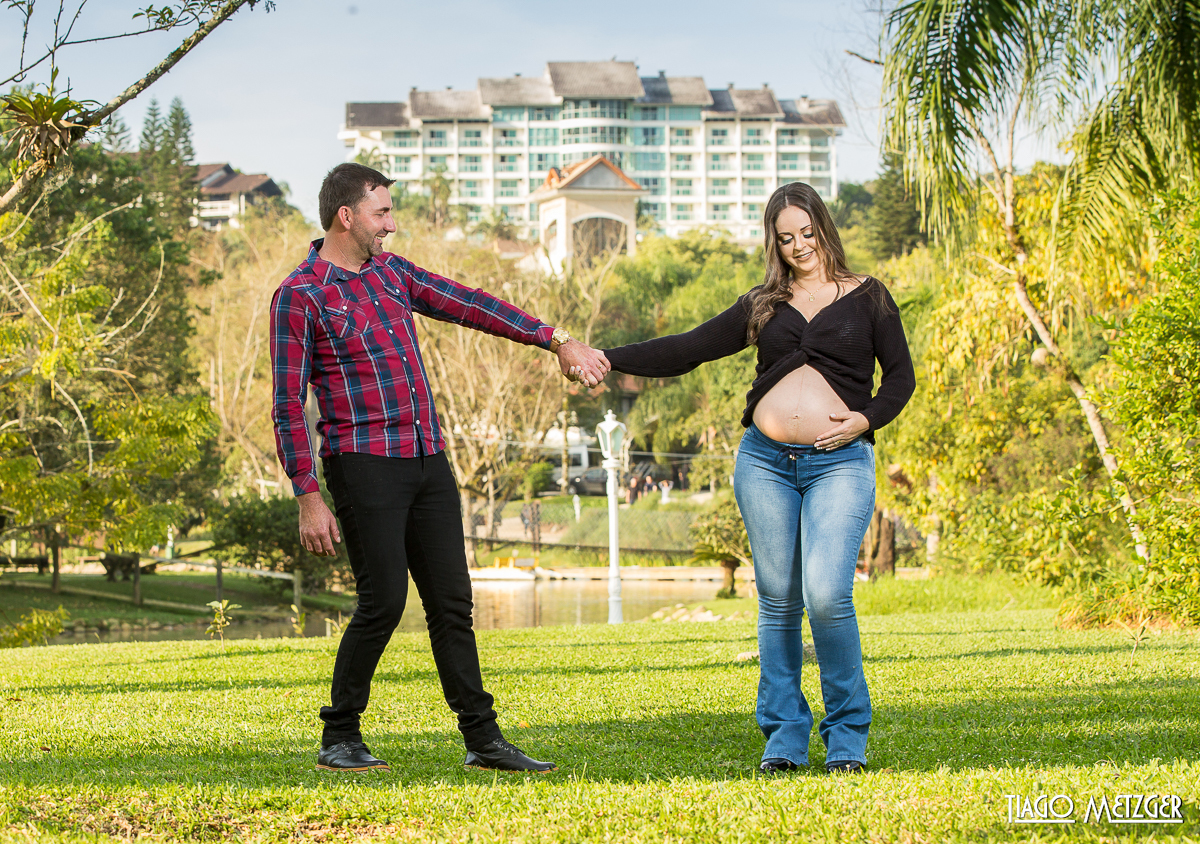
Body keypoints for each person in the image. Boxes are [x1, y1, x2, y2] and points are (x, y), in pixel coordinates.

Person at [270, 163, 609, 774]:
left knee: (453, 603)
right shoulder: (300, 295)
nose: (391, 224)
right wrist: (307, 494)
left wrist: (557, 339)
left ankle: (484, 740)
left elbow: (472, 305)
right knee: (383, 602)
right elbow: (288, 403)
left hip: (428, 457)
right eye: (382, 213)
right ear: (347, 216)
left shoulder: (394, 274)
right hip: (362, 462)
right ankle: (340, 736)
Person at [602, 182, 914, 775]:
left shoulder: (870, 296)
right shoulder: (763, 303)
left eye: (808, 232)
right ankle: (785, 736)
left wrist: (866, 419)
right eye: (786, 237)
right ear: (774, 242)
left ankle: (847, 736)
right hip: (765, 463)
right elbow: (688, 348)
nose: (800, 246)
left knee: (828, 595)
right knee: (777, 599)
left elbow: (900, 377)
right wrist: (607, 357)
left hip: (840, 462)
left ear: (824, 228)